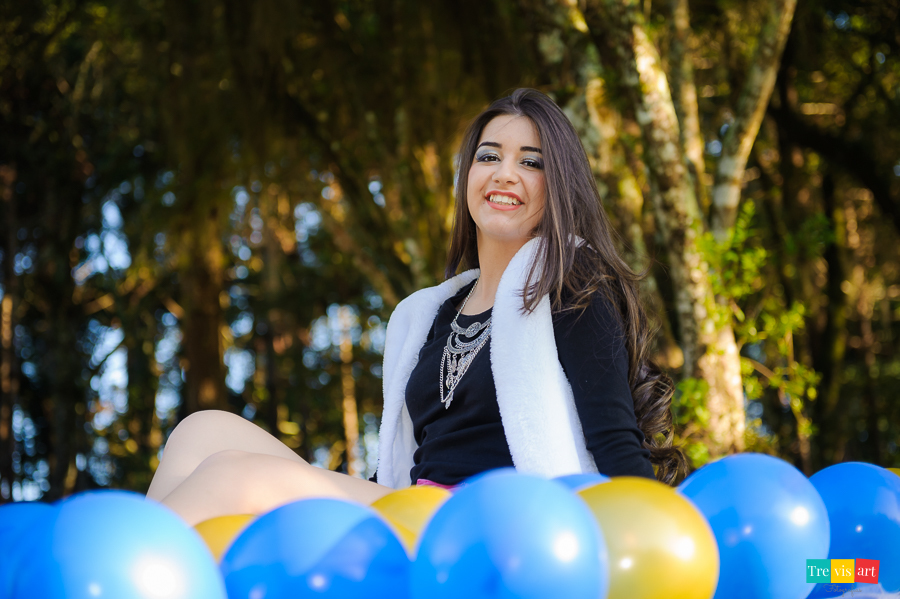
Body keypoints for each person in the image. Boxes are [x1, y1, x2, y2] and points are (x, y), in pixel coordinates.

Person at [146, 88, 685, 525]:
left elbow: (616, 442)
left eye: (532, 162)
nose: (504, 173)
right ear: (468, 176)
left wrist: (656, 530)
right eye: (489, 156)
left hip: (488, 522)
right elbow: (401, 461)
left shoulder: (570, 287)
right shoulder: (432, 313)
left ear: (559, 186)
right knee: (202, 431)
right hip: (411, 507)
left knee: (233, 477)